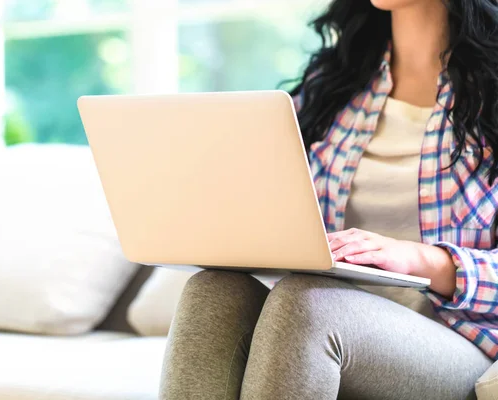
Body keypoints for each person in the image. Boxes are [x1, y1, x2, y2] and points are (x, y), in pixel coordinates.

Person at [159, 0, 498, 399]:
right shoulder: (334, 83)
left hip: (461, 339)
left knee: (307, 306)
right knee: (212, 291)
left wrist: (421, 260)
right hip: (329, 321)